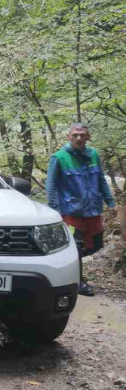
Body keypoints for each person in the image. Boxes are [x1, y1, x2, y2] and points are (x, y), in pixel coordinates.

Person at [46, 123, 117, 296]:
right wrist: (54, 210)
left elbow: (100, 179)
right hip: (70, 212)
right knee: (76, 246)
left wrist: (111, 201)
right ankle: (78, 282)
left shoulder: (93, 155)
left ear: (88, 137)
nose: (79, 138)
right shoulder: (59, 157)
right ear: (69, 136)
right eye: (75, 135)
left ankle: (67, 265)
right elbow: (51, 185)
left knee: (96, 244)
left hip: (92, 209)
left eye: (82, 135)